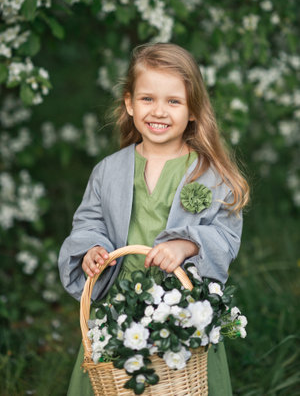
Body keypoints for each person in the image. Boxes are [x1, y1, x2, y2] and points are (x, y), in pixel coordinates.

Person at [58, 42, 249, 395]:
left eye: (173, 101)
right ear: (129, 103)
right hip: (121, 309)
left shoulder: (209, 173)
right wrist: (92, 249)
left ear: (193, 109)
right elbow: (88, 223)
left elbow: (226, 234)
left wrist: (188, 243)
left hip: (182, 312)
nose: (159, 111)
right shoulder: (108, 171)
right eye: (148, 99)